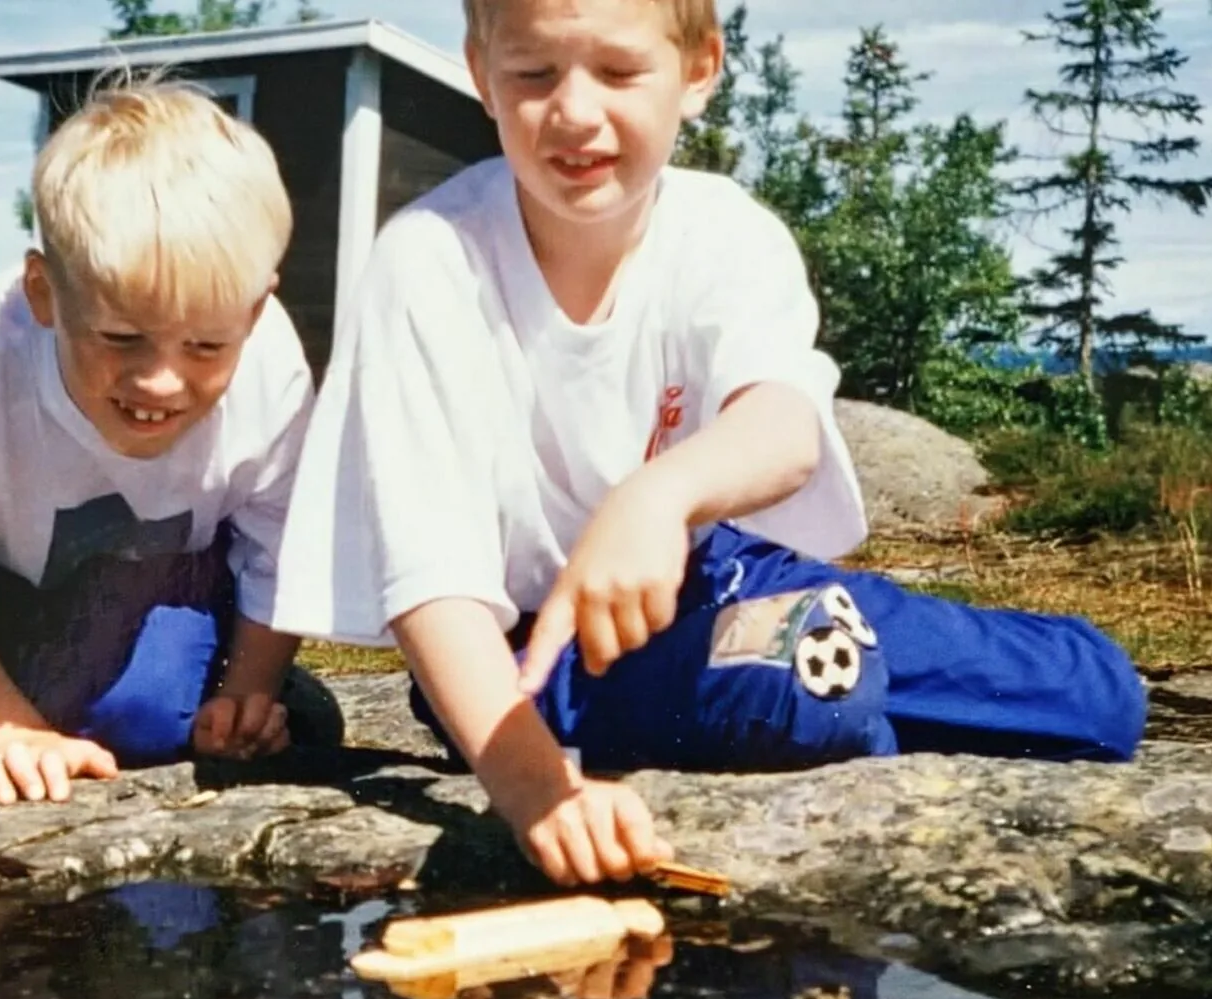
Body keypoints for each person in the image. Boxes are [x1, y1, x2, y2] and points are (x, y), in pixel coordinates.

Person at [265, 0, 1150, 884]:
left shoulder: (726, 230)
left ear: (698, 70)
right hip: (528, 655)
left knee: (1098, 697)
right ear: (481, 69)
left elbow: (784, 424)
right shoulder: (427, 260)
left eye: (617, 72)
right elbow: (433, 585)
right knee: (803, 683)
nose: (574, 112)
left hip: (721, 579)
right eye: (535, 73)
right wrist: (538, 790)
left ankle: (845, 700)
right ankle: (836, 721)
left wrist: (658, 495)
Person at [0, 77, 324, 804]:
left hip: (154, 579)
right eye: (121, 338)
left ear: (253, 311)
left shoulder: (270, 363)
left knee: (148, 720)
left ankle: (217, 679)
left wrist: (249, 691)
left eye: (207, 346)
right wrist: (6, 730)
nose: (160, 382)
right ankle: (50, 692)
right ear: (44, 293)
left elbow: (282, 545)